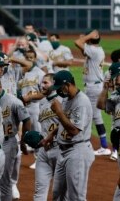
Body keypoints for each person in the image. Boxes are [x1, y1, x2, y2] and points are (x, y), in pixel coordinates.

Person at [41, 70, 94, 200]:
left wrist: (59, 112)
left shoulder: (81, 102)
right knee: (57, 194)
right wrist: (50, 135)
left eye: (60, 88)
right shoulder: (66, 99)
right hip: (64, 151)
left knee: (76, 196)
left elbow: (74, 130)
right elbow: (64, 122)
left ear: (68, 84)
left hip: (78, 151)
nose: (58, 91)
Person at [0, 75, 31, 201]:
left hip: (8, 142)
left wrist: (23, 141)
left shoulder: (13, 101)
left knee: (4, 181)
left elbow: (27, 120)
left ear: (0, 87)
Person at [74, 30, 111, 156]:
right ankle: (104, 145)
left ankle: (86, 143)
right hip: (94, 86)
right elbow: (82, 49)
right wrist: (87, 38)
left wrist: (87, 36)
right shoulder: (94, 51)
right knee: (96, 116)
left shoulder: (95, 51)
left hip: (93, 87)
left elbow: (77, 42)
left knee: (88, 115)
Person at [34, 73, 61, 200]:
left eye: (46, 82)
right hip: (44, 151)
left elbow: (69, 125)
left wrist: (52, 136)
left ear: (54, 84)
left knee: (62, 191)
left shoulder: (62, 100)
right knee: (39, 189)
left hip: (60, 149)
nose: (42, 85)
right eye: (42, 82)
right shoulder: (43, 102)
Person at [97, 72, 120, 161]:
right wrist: (105, 89)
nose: (117, 88)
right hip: (119, 138)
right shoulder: (115, 96)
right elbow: (101, 106)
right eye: (116, 85)